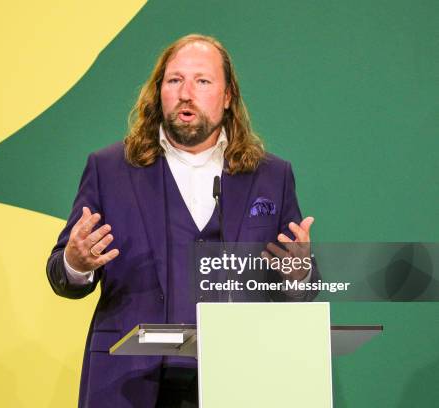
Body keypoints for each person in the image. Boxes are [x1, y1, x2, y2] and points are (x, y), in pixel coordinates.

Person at [46, 34, 318, 407]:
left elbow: (303, 282)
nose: (186, 92)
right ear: (159, 92)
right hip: (130, 381)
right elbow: (62, 275)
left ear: (227, 97)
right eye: (175, 80)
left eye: (202, 81)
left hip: (239, 378)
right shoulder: (109, 169)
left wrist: (297, 273)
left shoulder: (271, 176)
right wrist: (76, 263)